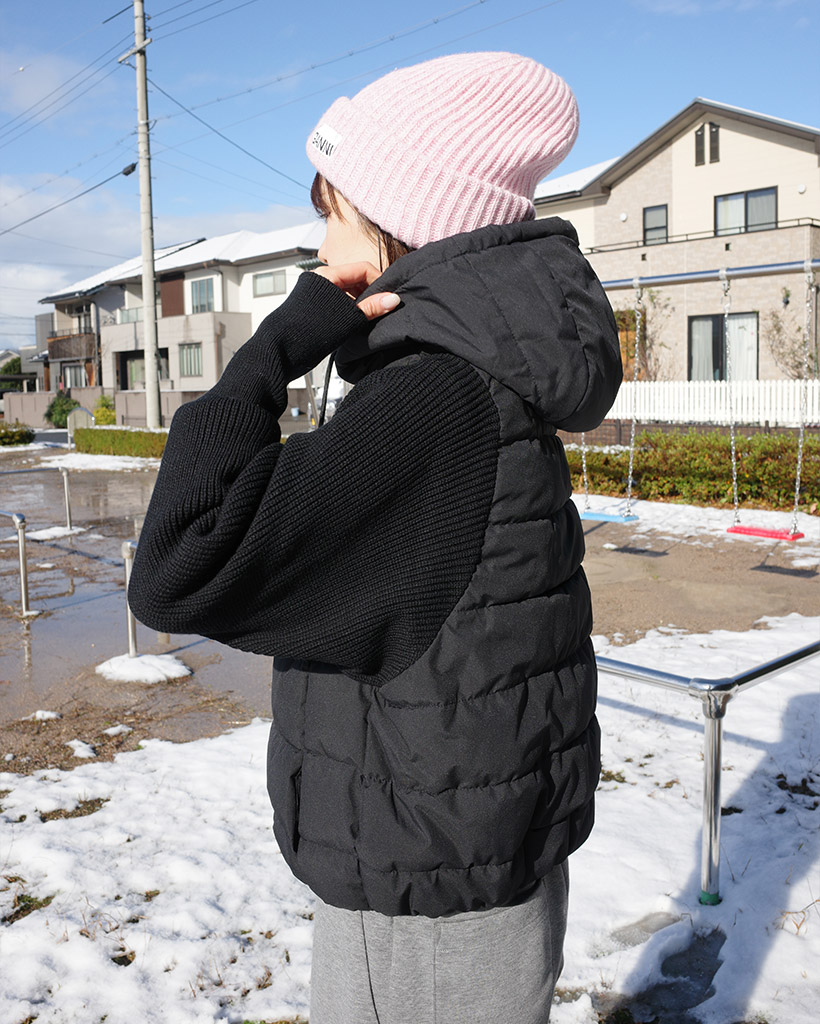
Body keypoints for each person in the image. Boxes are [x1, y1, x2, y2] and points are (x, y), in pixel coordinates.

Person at [128, 51, 621, 1024]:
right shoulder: (489, 371)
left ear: (400, 220)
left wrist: (273, 347)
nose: (320, 246)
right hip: (471, 841)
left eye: (333, 212)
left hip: (422, 891)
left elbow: (178, 566)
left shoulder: (429, 398)